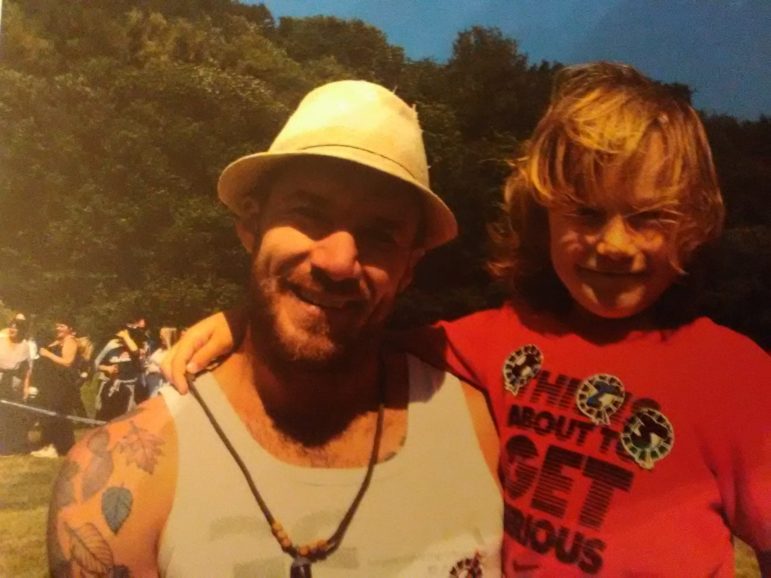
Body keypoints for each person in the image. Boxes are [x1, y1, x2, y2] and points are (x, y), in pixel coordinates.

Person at [164, 63, 771, 576]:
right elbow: (342, 328)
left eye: (648, 217)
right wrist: (247, 322)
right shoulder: (499, 340)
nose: (615, 244)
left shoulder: (735, 377)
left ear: (693, 222)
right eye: (586, 213)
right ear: (544, 216)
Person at [48, 80, 502, 577]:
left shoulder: (486, 427)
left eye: (379, 234)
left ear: (409, 267)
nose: (338, 261)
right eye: (308, 213)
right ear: (250, 225)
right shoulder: (120, 478)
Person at [32, 318, 79, 458]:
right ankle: (50, 444)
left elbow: (67, 362)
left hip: (62, 385)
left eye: (62, 326)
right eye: (57, 325)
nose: (58, 328)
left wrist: (48, 354)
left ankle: (58, 446)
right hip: (51, 383)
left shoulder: (70, 341)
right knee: (48, 413)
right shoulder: (58, 341)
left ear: (70, 328)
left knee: (57, 415)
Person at [92, 319, 147, 421]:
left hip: (130, 387)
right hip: (110, 386)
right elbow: (94, 364)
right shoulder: (111, 344)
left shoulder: (137, 345)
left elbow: (135, 352)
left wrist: (126, 337)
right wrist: (107, 368)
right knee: (107, 417)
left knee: (127, 418)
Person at [0, 313, 33, 454]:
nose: (12, 330)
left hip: (14, 383)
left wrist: (26, 387)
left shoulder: (25, 346)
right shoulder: (1, 341)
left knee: (13, 414)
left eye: (16, 328)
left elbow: (27, 369)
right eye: (11, 327)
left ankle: (13, 445)